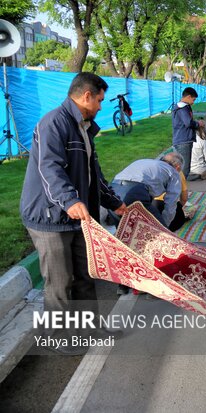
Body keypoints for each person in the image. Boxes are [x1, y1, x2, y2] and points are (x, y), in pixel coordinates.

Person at [20, 72, 126, 355]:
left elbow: (94, 173)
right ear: (86, 95)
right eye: (100, 100)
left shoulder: (85, 127)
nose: (102, 107)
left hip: (77, 216)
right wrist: (68, 200)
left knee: (84, 273)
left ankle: (88, 328)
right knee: (59, 280)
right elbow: (49, 167)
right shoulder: (53, 123)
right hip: (50, 217)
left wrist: (113, 201)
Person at [110, 153, 183, 230]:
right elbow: (171, 202)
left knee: (123, 232)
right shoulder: (173, 171)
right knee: (160, 233)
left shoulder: (144, 161)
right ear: (177, 167)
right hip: (134, 192)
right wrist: (164, 226)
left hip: (113, 190)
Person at [172, 87, 203, 178]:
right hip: (183, 141)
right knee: (184, 169)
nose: (193, 102)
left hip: (181, 139)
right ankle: (181, 190)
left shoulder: (182, 107)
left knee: (181, 168)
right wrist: (198, 124)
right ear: (188, 97)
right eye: (193, 99)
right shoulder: (183, 108)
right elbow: (188, 123)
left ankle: (180, 188)